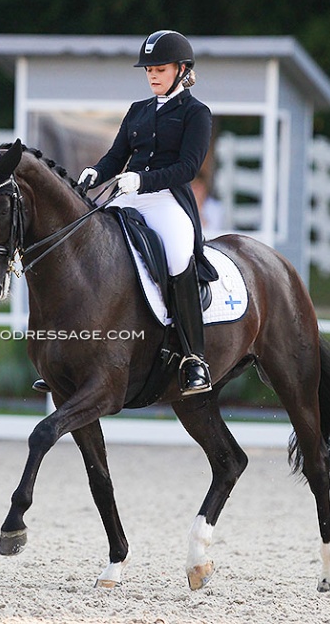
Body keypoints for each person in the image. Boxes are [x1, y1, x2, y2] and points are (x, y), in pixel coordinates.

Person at [78, 29, 218, 395]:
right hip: (127, 193)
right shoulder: (138, 110)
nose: (152, 75)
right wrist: (97, 172)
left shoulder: (196, 113)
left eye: (160, 68)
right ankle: (76, 352)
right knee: (89, 245)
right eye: (148, 69)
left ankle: (193, 360)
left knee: (176, 256)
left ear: (182, 69)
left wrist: (142, 181)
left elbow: (189, 167)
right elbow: (115, 156)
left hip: (167, 199)